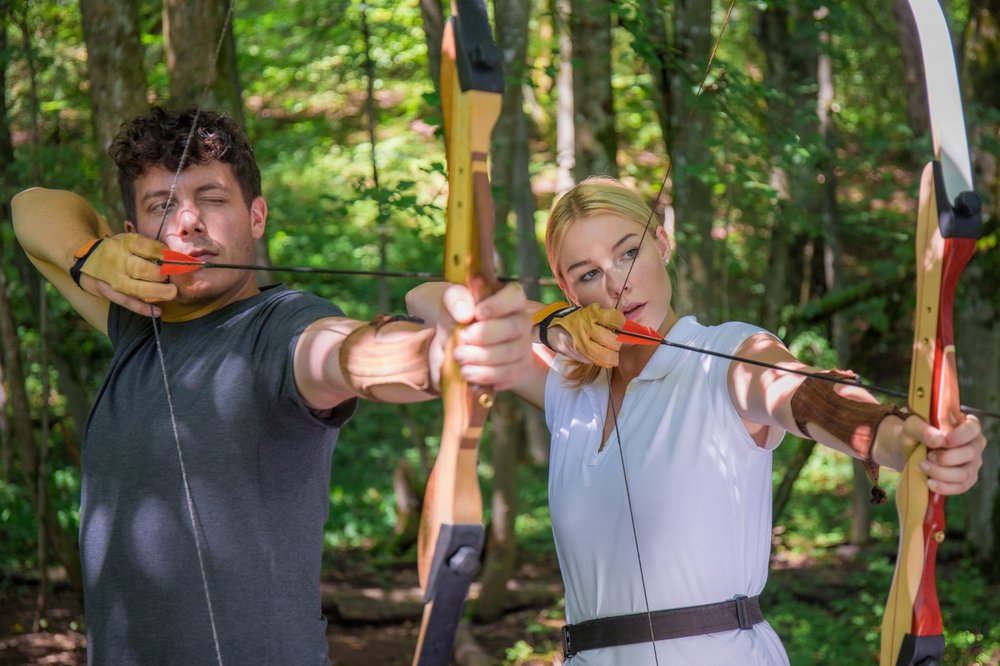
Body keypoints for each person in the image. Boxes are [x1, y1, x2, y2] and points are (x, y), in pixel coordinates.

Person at [10, 106, 532, 665]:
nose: (188, 221)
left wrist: (436, 356)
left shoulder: (278, 325)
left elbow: (341, 354)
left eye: (211, 198)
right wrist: (89, 258)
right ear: (133, 235)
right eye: (163, 205)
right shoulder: (137, 323)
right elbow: (29, 206)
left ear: (256, 216)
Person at [407, 177, 986, 665]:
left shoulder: (726, 355)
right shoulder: (566, 388)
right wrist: (553, 328)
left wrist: (900, 437)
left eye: (629, 252)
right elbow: (430, 300)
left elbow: (802, 394)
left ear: (663, 241)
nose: (617, 284)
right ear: (567, 290)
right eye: (587, 274)